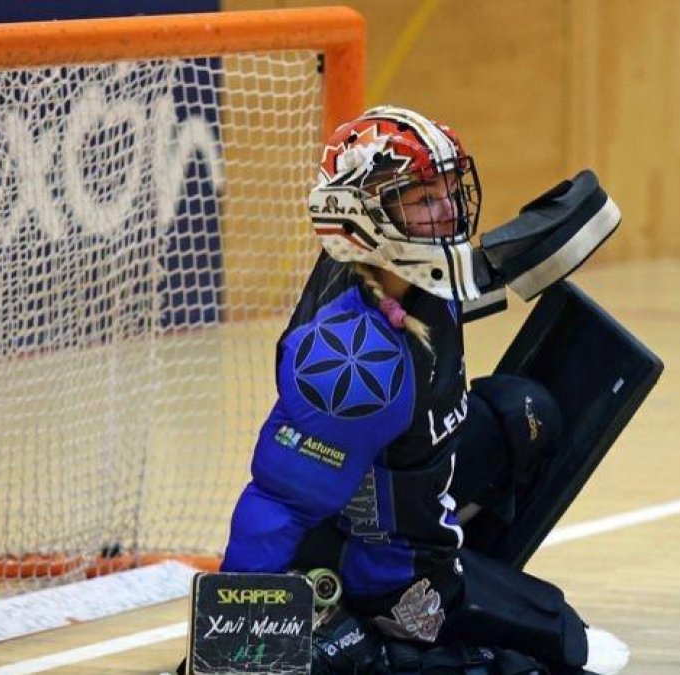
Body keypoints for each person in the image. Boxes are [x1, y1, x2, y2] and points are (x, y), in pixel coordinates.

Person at [221, 105, 629, 675]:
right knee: (569, 647)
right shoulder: (351, 363)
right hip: (385, 565)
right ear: (364, 219)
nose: (447, 211)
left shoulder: (410, 272)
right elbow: (276, 503)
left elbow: (480, 274)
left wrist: (563, 221)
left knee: (524, 412)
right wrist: (232, 647)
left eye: (446, 190)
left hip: (404, 490)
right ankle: (375, 624)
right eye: (422, 198)